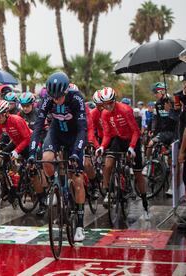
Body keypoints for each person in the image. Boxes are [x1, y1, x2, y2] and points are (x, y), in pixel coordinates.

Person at [28, 72, 87, 241]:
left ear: (66, 91)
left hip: (75, 135)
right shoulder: (47, 100)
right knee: (46, 159)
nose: (56, 100)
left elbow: (83, 129)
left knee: (77, 179)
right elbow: (38, 127)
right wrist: (32, 153)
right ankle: (57, 187)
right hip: (56, 132)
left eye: (59, 97)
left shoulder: (76, 98)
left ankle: (80, 224)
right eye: (53, 97)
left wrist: (77, 152)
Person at [95, 87, 149, 220]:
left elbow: (136, 131)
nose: (108, 106)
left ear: (114, 100)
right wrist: (102, 146)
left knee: (137, 173)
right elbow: (107, 134)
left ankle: (145, 204)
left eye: (110, 103)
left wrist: (132, 147)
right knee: (108, 164)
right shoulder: (105, 114)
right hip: (118, 139)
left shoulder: (125, 109)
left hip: (132, 139)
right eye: (105, 104)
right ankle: (108, 193)